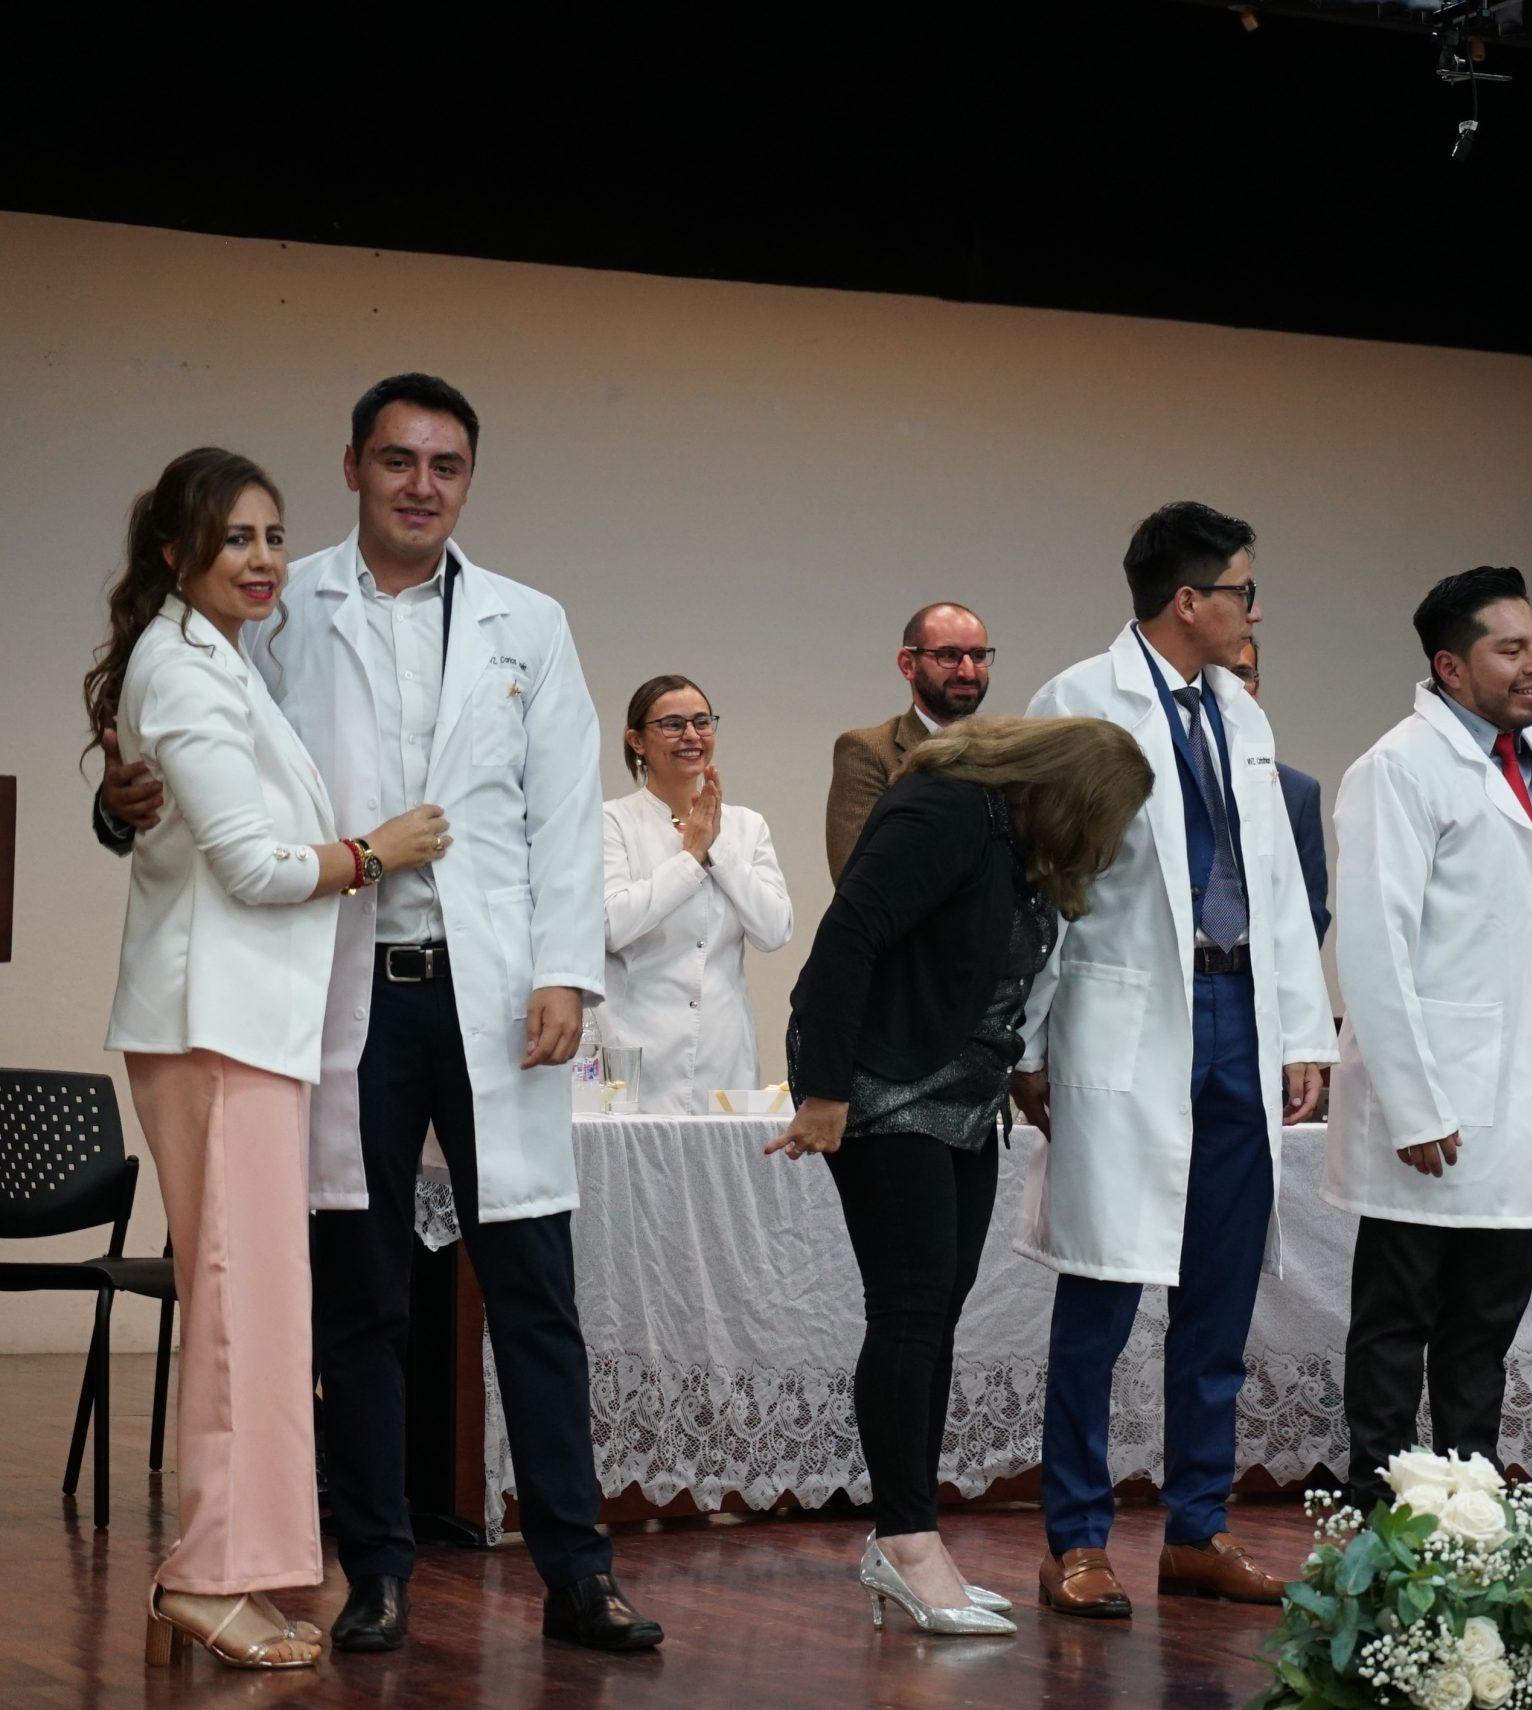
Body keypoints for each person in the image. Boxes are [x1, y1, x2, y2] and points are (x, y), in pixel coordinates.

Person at [98, 375, 658, 1653]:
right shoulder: (278, 608)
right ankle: (377, 1567)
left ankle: (578, 1571)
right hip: (346, 991)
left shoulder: (528, 621)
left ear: (469, 480)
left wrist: (566, 971)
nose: (422, 485)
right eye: (398, 459)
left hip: (494, 992)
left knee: (533, 1286)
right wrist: (114, 804)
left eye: (446, 465)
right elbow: (190, 766)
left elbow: (567, 808)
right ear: (353, 466)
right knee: (360, 1297)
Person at [90, 449, 448, 1669]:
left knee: (257, 1301)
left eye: (273, 537)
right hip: (217, 1022)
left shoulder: (220, 658)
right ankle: (208, 1575)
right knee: (241, 1307)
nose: (262, 560)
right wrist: (376, 852)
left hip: (248, 1025)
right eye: (235, 537)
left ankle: (238, 1567)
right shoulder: (181, 667)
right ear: (175, 552)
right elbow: (250, 864)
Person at [1008, 501, 1335, 1618]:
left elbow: (1276, 883)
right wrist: (1029, 1040)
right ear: (1189, 600)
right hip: (1125, 1016)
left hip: (1240, 1011)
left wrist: (1303, 1030)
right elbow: (1048, 880)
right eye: (1242, 589)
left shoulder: (1240, 708)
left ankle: (1197, 1527)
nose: (1255, 610)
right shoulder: (1077, 698)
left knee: (1219, 1296)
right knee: (1101, 1294)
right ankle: (1075, 1537)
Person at [768, 716, 1152, 1638]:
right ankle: (906, 1543)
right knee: (907, 1311)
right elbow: (847, 937)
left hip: (964, 1099)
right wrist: (824, 1090)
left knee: (936, 1311)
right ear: (1065, 791)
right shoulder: (945, 811)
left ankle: (910, 1539)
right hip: (884, 1087)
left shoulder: (1012, 839)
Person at [1325, 569, 1532, 1513]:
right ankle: (1379, 1505)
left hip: (1512, 1093)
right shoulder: (1398, 766)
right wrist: (1414, 1105)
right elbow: (1373, 948)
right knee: (1398, 1319)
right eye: (1511, 649)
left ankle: (1472, 1502)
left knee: (1485, 1323)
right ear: (1451, 666)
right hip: (1433, 1102)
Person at [601, 674, 794, 1112]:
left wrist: (717, 846)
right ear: (636, 741)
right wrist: (690, 860)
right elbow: (613, 925)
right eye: (673, 724)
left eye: (702, 722)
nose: (691, 735)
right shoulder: (612, 822)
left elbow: (774, 930)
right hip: (637, 1047)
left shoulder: (747, 825)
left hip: (723, 1049)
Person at [826, 602, 992, 881]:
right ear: (908, 664)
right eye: (948, 655)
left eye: (977, 656)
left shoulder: (1005, 754)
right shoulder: (868, 751)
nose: (968, 672)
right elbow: (858, 879)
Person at [1235, 636, 1330, 943]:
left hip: (1265, 965)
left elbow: (1310, 913)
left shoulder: (1297, 793)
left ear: (1256, 687)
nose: (1231, 687)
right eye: (1219, 674)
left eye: (1242, 674)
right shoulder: (1167, 778)